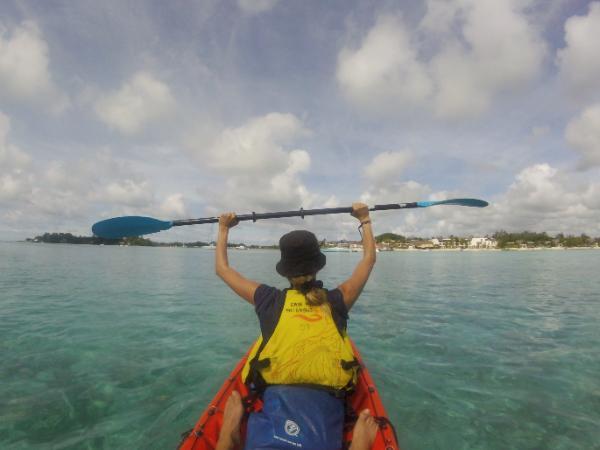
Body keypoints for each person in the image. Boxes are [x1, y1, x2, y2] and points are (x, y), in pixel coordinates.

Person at [214, 202, 378, 450]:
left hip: (275, 395)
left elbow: (222, 270)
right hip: (327, 401)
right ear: (318, 265)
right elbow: (368, 260)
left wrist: (224, 228)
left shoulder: (268, 299)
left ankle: (228, 434)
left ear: (285, 271)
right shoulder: (338, 299)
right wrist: (364, 219)